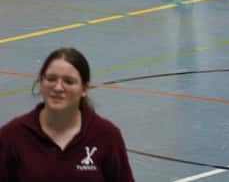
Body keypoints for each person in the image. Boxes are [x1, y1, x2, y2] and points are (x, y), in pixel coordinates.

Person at [0, 48, 134, 181]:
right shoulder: (12, 135)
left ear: (84, 89)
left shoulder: (107, 136)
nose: (58, 87)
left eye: (68, 81)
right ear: (41, 83)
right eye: (51, 79)